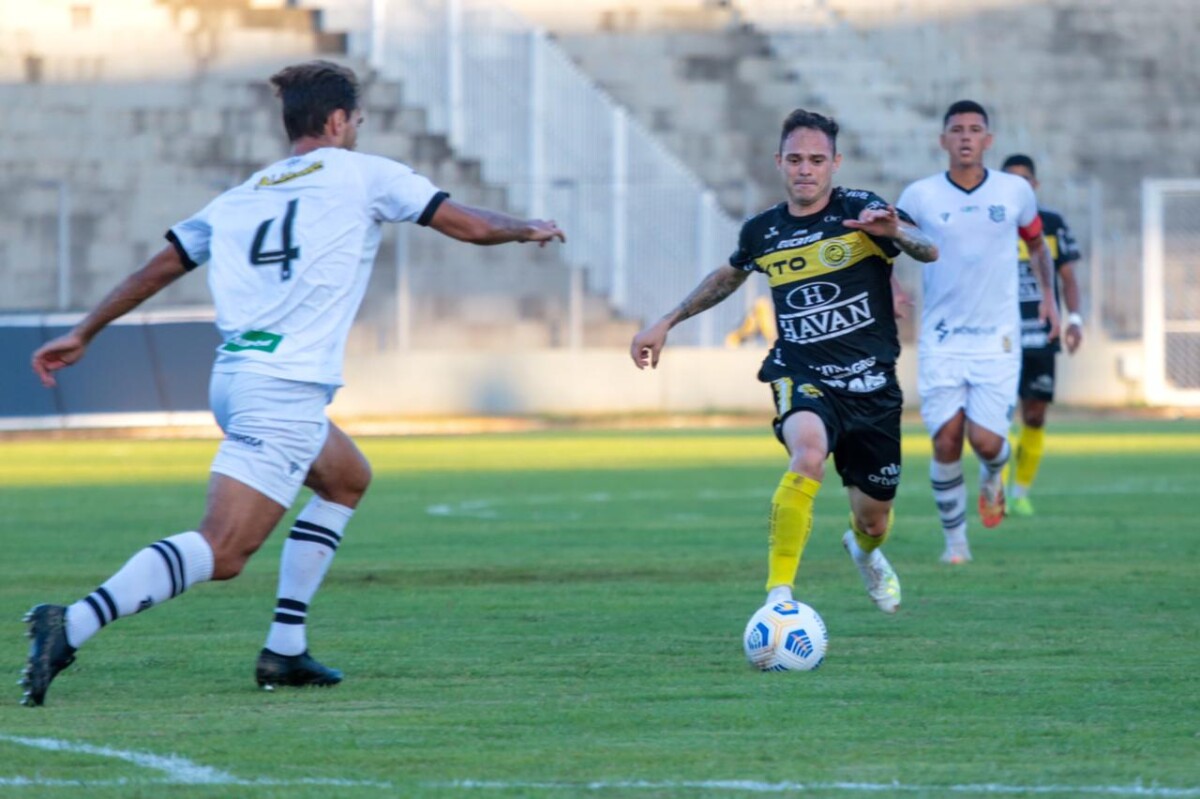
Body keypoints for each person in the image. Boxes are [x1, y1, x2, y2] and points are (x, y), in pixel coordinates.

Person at [21, 60, 565, 707]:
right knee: (223, 551)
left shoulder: (243, 194)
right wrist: (525, 227)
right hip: (281, 389)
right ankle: (71, 622)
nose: (357, 130)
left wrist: (86, 330)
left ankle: (284, 649)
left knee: (346, 477)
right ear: (338, 121)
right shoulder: (365, 174)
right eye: (356, 120)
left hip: (238, 376)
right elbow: (467, 223)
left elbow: (161, 264)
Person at [630, 109, 938, 616]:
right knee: (809, 453)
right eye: (795, 159)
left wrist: (897, 233)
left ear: (835, 163)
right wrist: (666, 321)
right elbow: (727, 277)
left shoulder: (860, 210)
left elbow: (929, 252)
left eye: (816, 160)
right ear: (779, 162)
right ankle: (779, 597)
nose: (805, 169)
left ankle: (863, 553)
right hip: (802, 373)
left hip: (873, 387)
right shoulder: (763, 231)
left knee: (874, 519)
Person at [896, 101, 1060, 565]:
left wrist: (1049, 298)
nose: (966, 137)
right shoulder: (921, 195)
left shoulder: (1014, 192)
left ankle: (994, 475)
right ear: (943, 140)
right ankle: (956, 544)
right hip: (943, 339)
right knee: (946, 439)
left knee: (986, 442)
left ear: (988, 140)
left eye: (975, 130)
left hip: (997, 340)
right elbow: (885, 245)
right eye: (957, 130)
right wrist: (890, 287)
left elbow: (1036, 245)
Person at [1000, 154, 1084, 516]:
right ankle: (996, 493)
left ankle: (1020, 492)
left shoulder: (1051, 224)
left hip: (1041, 331)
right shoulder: (993, 223)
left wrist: (1075, 318)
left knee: (1034, 414)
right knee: (996, 418)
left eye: (1024, 181)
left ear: (1034, 186)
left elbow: (1067, 277)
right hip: (999, 334)